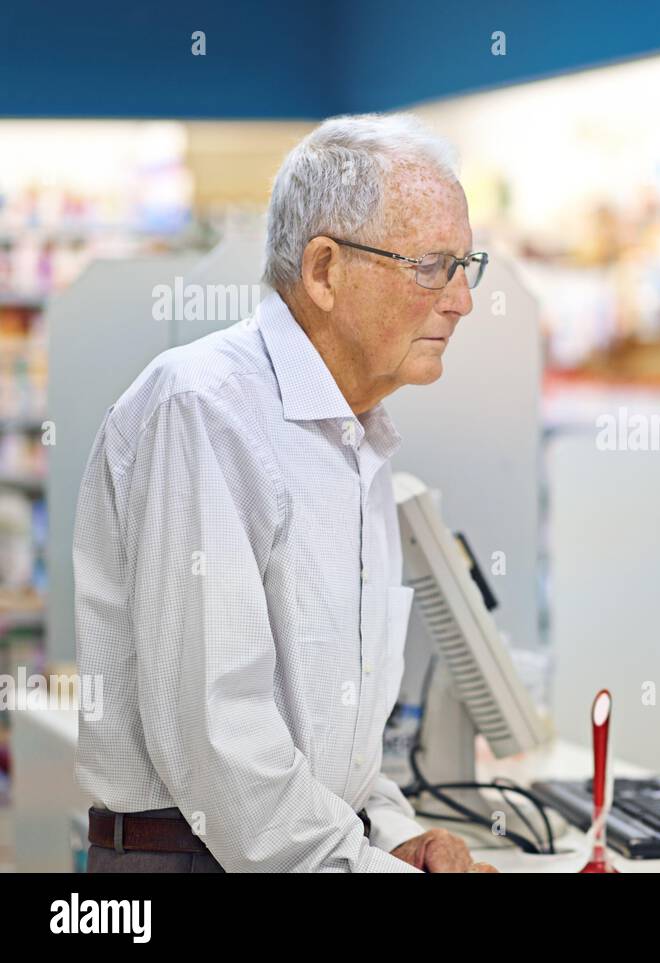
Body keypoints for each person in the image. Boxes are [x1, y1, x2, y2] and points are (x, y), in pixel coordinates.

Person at [75, 113, 496, 872]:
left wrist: (394, 831)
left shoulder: (356, 438)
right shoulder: (205, 408)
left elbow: (330, 736)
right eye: (434, 266)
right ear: (325, 270)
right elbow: (218, 747)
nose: (462, 300)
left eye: (468, 265)